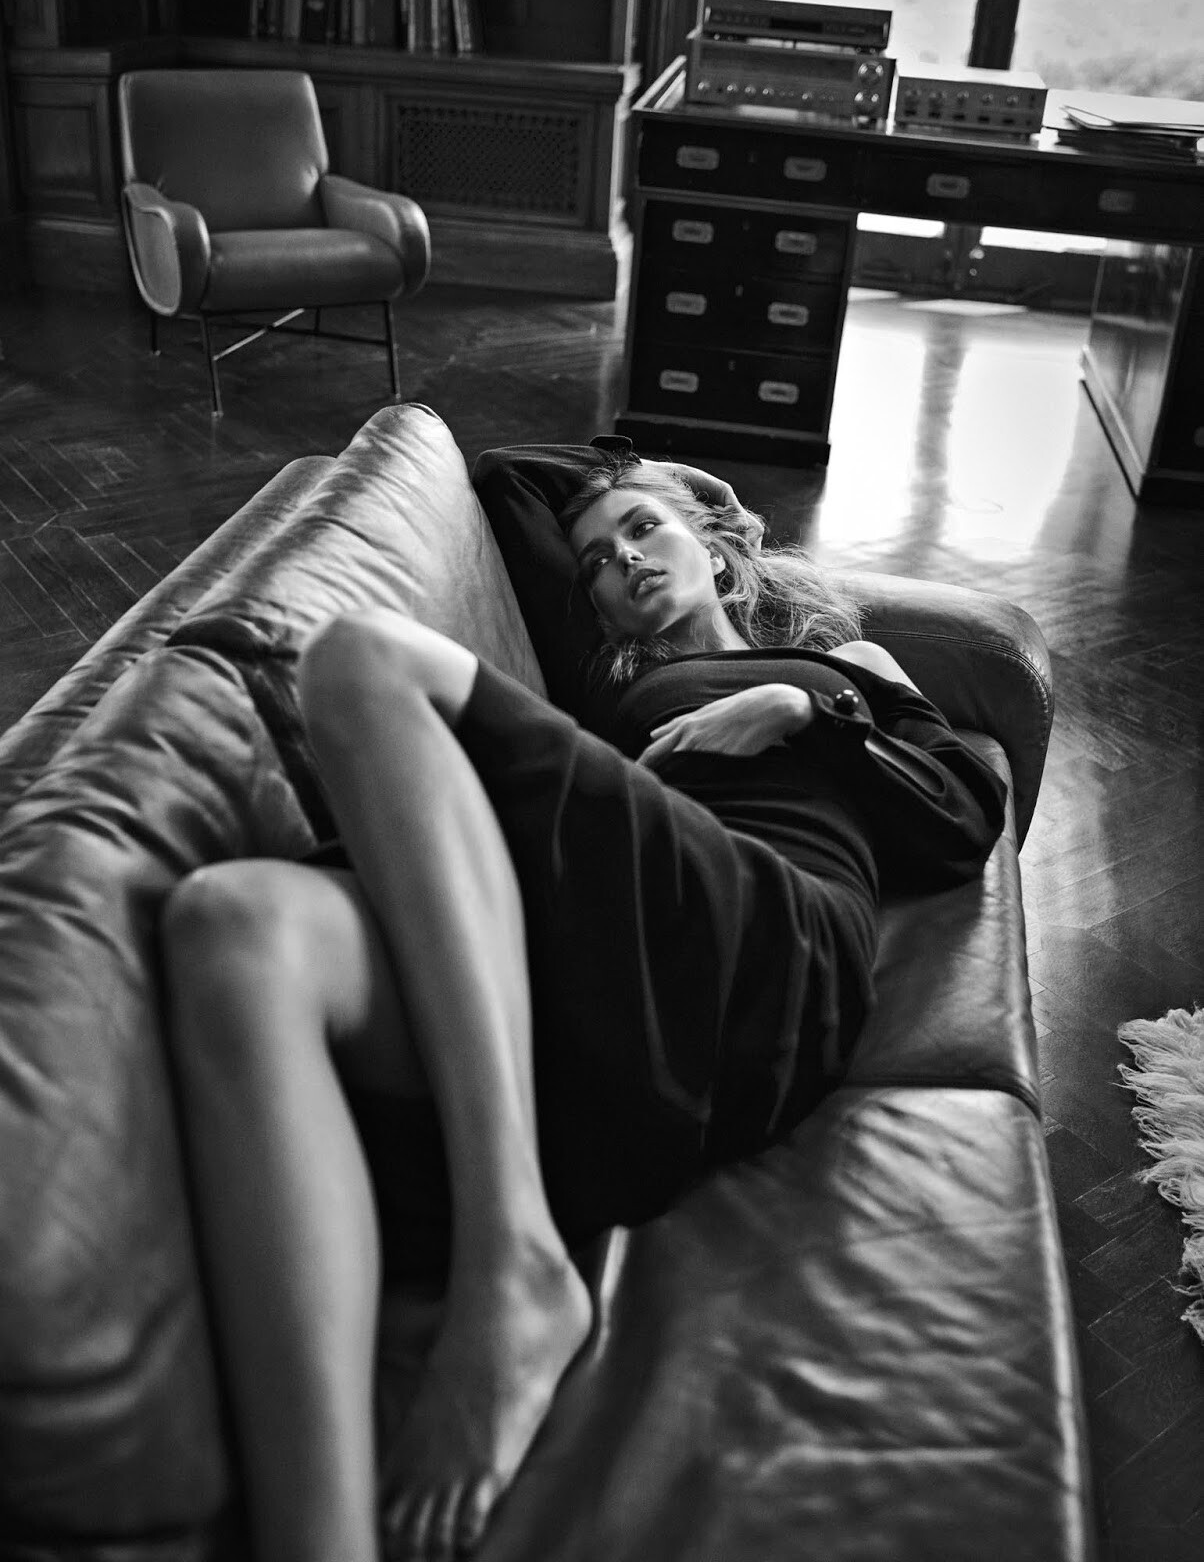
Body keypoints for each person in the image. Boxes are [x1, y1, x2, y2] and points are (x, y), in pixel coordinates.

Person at [159, 444, 1006, 1562]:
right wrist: (664, 484)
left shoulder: (839, 662)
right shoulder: (608, 692)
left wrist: (796, 708)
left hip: (761, 938)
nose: (622, 562)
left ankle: (509, 1257)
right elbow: (511, 478)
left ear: (718, 546)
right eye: (598, 562)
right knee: (235, 927)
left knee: (360, 657)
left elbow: (964, 812)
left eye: (646, 530)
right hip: (595, 959)